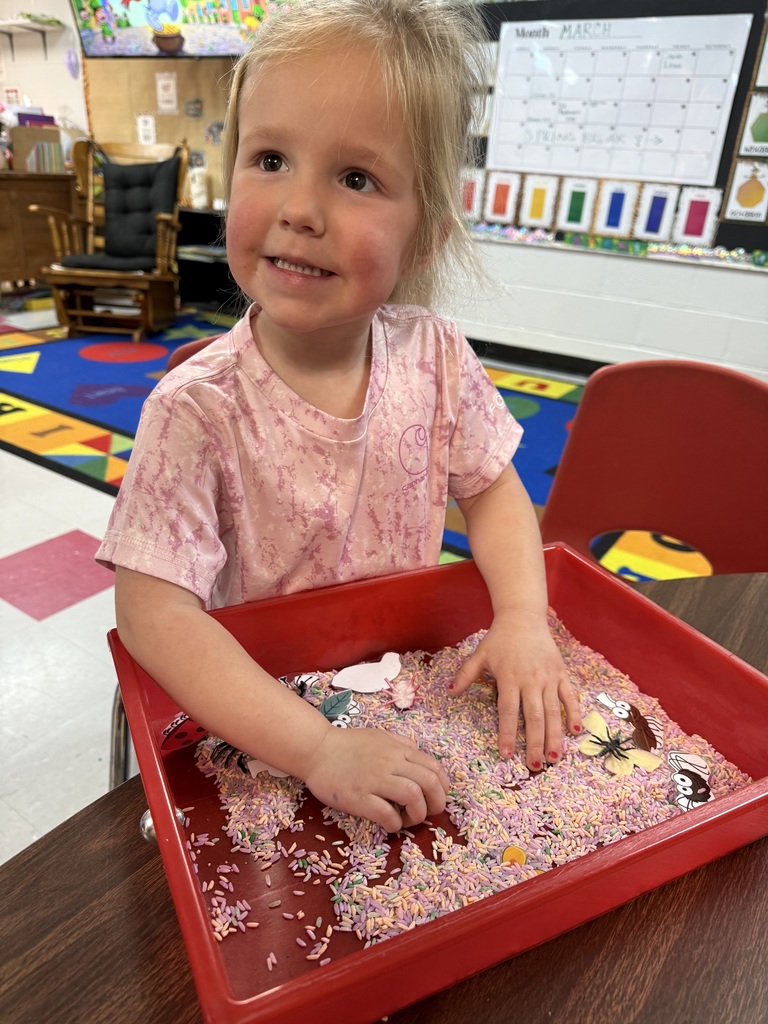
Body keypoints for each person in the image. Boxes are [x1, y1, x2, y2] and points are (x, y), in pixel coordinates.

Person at [97, 0, 581, 833]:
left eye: (356, 178)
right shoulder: (196, 408)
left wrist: (523, 620)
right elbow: (153, 616)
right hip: (261, 714)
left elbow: (496, 493)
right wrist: (316, 749)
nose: (302, 209)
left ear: (424, 234)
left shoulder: (433, 355)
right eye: (272, 158)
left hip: (396, 685)